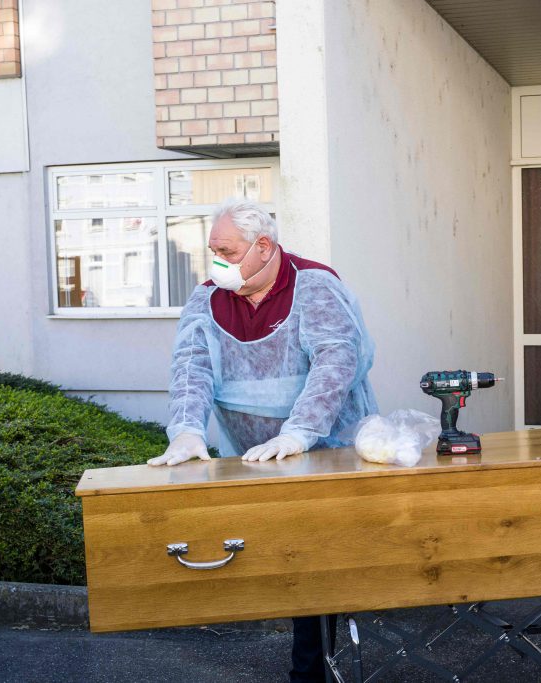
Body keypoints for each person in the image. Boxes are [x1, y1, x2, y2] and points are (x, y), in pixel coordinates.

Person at [148, 197, 378, 683]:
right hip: (259, 460)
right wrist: (187, 429)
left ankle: (313, 673)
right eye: (212, 250)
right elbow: (192, 367)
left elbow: (335, 362)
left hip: (329, 449)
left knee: (320, 568)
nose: (217, 263)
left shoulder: (313, 286)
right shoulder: (207, 298)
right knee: (289, 564)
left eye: (226, 251)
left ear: (263, 246)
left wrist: (301, 431)